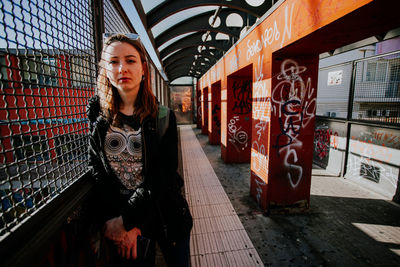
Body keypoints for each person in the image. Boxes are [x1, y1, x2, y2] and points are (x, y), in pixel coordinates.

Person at [86, 33, 192, 267]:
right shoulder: (99, 119)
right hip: (122, 218)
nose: (122, 67)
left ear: (144, 68)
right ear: (105, 69)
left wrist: (127, 222)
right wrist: (119, 223)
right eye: (113, 61)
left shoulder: (163, 116)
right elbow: (97, 169)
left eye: (130, 60)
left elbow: (161, 177)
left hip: (166, 217)